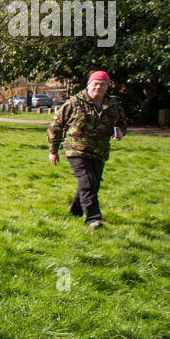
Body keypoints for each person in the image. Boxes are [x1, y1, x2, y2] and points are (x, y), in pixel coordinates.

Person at [47, 71, 127, 230]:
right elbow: (56, 126)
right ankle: (93, 219)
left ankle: (75, 210)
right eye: (95, 84)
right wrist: (53, 150)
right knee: (88, 181)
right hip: (76, 149)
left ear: (107, 87)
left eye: (102, 84)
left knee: (93, 183)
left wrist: (120, 130)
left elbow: (122, 123)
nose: (98, 87)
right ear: (89, 85)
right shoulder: (74, 102)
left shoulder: (113, 105)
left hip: (99, 151)